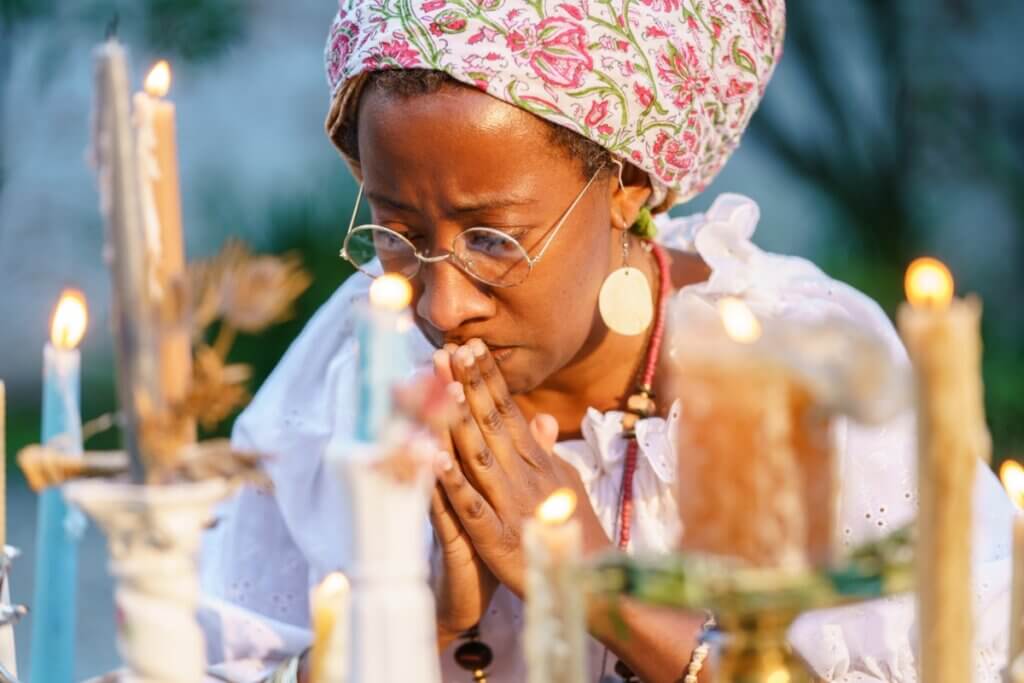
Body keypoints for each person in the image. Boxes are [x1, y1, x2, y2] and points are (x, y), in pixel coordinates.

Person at [198, 1, 1014, 681]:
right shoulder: (357, 360)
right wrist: (415, 622)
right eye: (397, 233)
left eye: (493, 239)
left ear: (627, 183)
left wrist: (600, 590)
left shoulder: (799, 368)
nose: (441, 306)